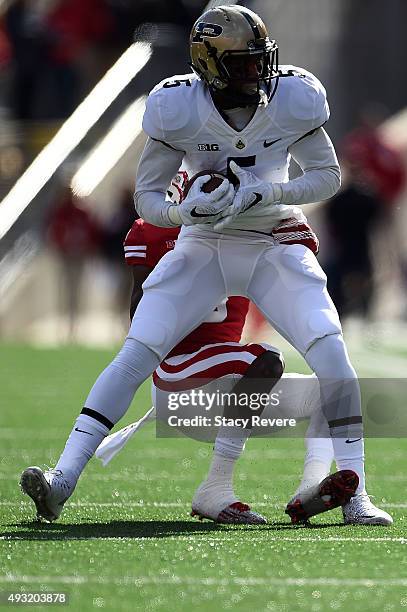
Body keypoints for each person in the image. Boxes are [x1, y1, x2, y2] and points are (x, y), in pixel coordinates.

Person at [20, 5, 390, 525]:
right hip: (204, 241)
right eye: (242, 63)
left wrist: (271, 191)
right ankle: (63, 479)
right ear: (209, 65)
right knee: (135, 353)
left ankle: (356, 494)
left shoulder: (292, 97)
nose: (257, 73)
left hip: (271, 239)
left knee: (332, 353)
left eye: (260, 60)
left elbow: (326, 175)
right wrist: (181, 211)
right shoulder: (178, 107)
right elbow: (148, 199)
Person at [95, 210, 363, 525]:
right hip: (180, 385)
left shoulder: (259, 229)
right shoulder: (158, 232)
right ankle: (216, 485)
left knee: (328, 392)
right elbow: (139, 320)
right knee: (265, 359)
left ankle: (309, 488)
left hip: (228, 388)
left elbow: (290, 292)